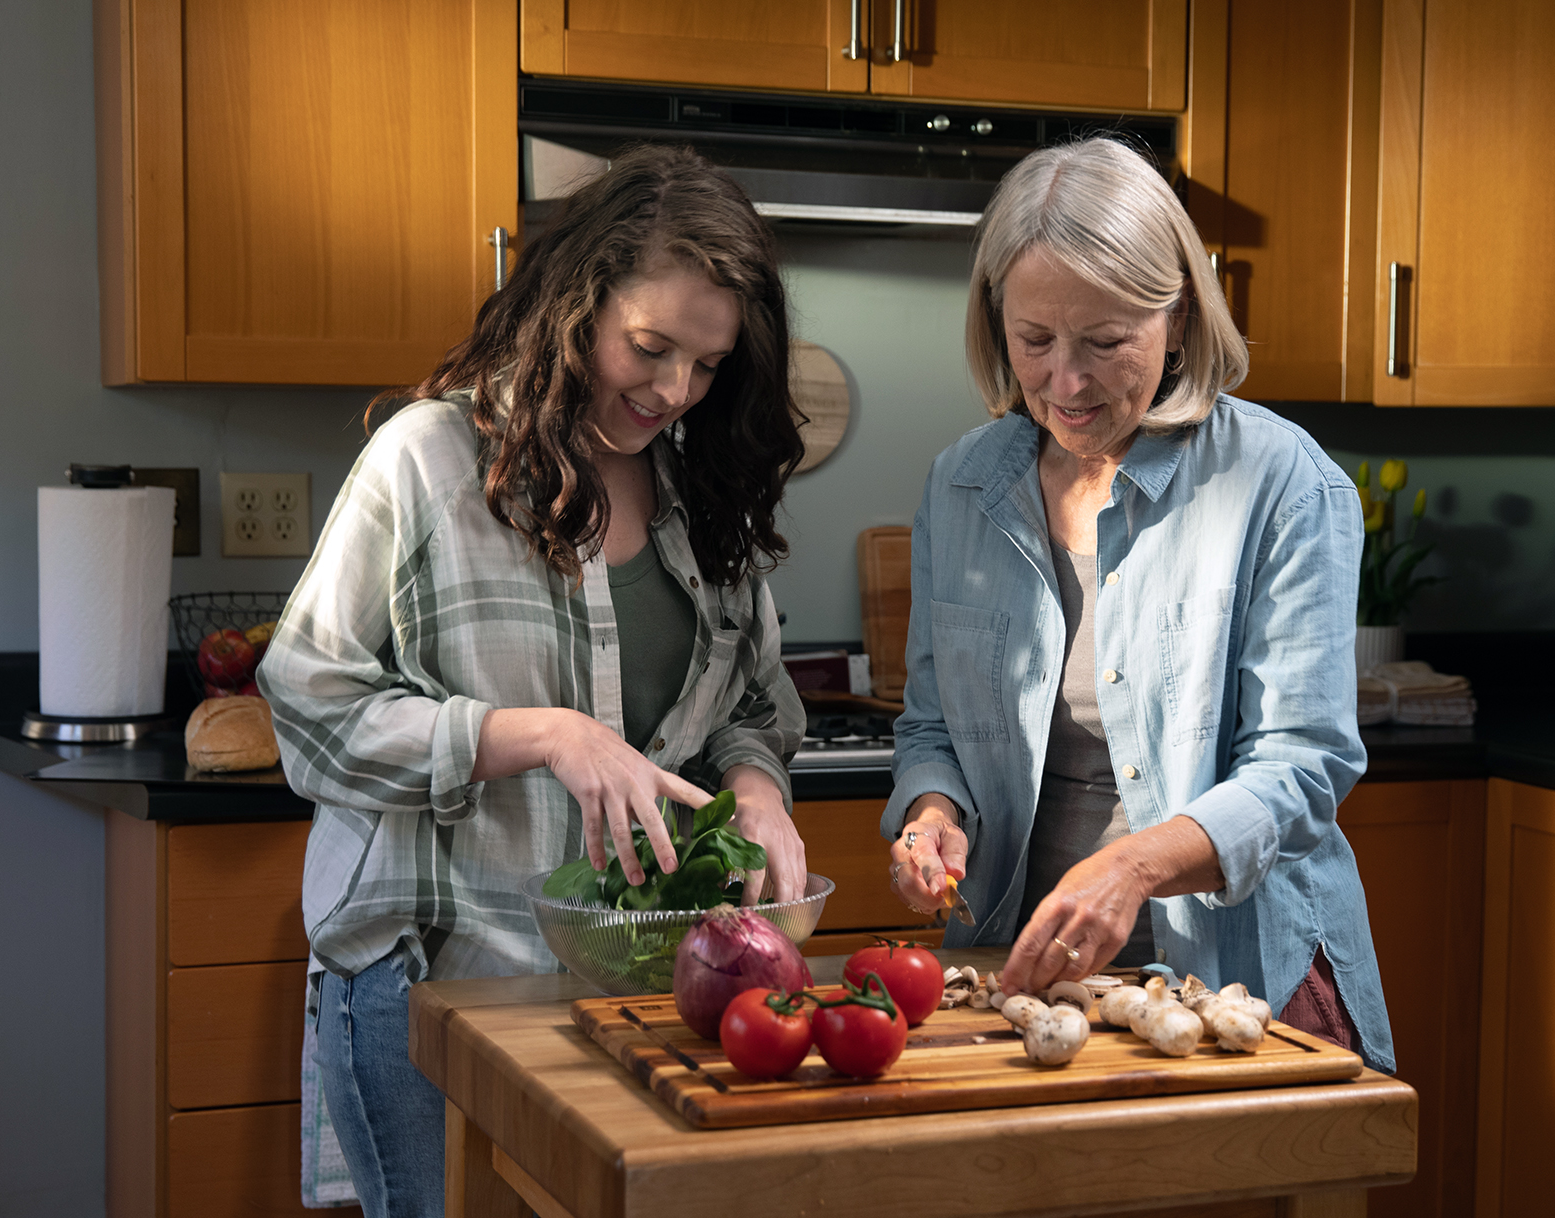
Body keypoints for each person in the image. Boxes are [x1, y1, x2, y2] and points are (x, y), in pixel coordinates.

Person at [260, 145, 809, 1218]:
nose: (673, 391)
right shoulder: (429, 461)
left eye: (705, 365)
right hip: (441, 980)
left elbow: (750, 704)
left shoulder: (700, 489)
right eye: (649, 348)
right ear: (576, 301)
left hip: (641, 989)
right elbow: (309, 708)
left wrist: (759, 789)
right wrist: (547, 734)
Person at [883, 138, 1393, 1072]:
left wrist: (1132, 866)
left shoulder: (1280, 482)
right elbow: (931, 726)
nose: (1066, 383)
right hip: (1023, 983)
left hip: (1235, 983)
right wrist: (931, 812)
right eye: (1033, 340)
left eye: (1107, 342)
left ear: (1181, 318)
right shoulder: (959, 486)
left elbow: (1303, 764)